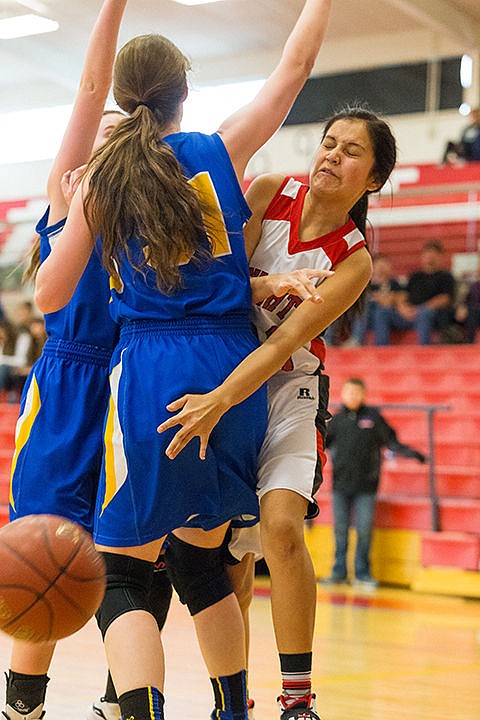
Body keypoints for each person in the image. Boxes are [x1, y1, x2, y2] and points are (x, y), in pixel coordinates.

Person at [33, 3, 333, 720]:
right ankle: (234, 711)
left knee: (120, 577)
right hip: (236, 371)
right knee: (203, 564)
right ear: (183, 93)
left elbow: (49, 294)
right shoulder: (220, 149)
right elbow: (294, 68)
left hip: (151, 372)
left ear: (126, 98)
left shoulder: (104, 180)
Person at [158, 105, 398, 720]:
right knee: (232, 555)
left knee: (282, 530)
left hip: (289, 389)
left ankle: (298, 702)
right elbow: (217, 286)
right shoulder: (267, 191)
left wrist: (219, 400)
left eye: (350, 152)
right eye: (328, 142)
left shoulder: (354, 260)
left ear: (373, 179)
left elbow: (282, 344)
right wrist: (216, 389)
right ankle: (230, 702)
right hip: (226, 373)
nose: (332, 156)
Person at [3, 3, 130, 720]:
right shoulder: (68, 194)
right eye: (102, 131)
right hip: (67, 380)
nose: (109, 133)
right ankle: (23, 708)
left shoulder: (147, 212)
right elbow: (90, 91)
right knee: (40, 553)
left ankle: (120, 700)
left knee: (127, 557)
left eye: (123, 131)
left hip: (129, 381)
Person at [321, 377, 426, 587]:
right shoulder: (337, 421)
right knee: (340, 531)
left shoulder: (374, 419)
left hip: (366, 487)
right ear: (342, 395)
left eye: (356, 393)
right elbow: (321, 445)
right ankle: (339, 571)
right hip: (340, 485)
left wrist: (414, 454)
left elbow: (392, 441)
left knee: (364, 530)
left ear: (363, 395)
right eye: (348, 393)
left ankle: (363, 573)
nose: (352, 396)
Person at [372, 240, 456, 345]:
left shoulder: (446, 276)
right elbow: (403, 294)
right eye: (427, 254)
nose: (430, 257)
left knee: (425, 313)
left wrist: (421, 309)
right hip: (409, 314)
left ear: (440, 257)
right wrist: (402, 308)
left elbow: (445, 298)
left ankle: (423, 349)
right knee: (382, 311)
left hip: (429, 315)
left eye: (433, 254)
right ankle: (381, 349)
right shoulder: (415, 276)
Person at [346, 253, 404, 345]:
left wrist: (377, 298)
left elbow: (391, 301)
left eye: (384, 264)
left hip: (387, 316)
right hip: (367, 317)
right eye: (378, 265)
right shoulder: (366, 285)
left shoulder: (394, 283)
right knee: (365, 305)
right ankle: (355, 339)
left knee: (380, 310)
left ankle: (373, 343)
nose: (381, 268)